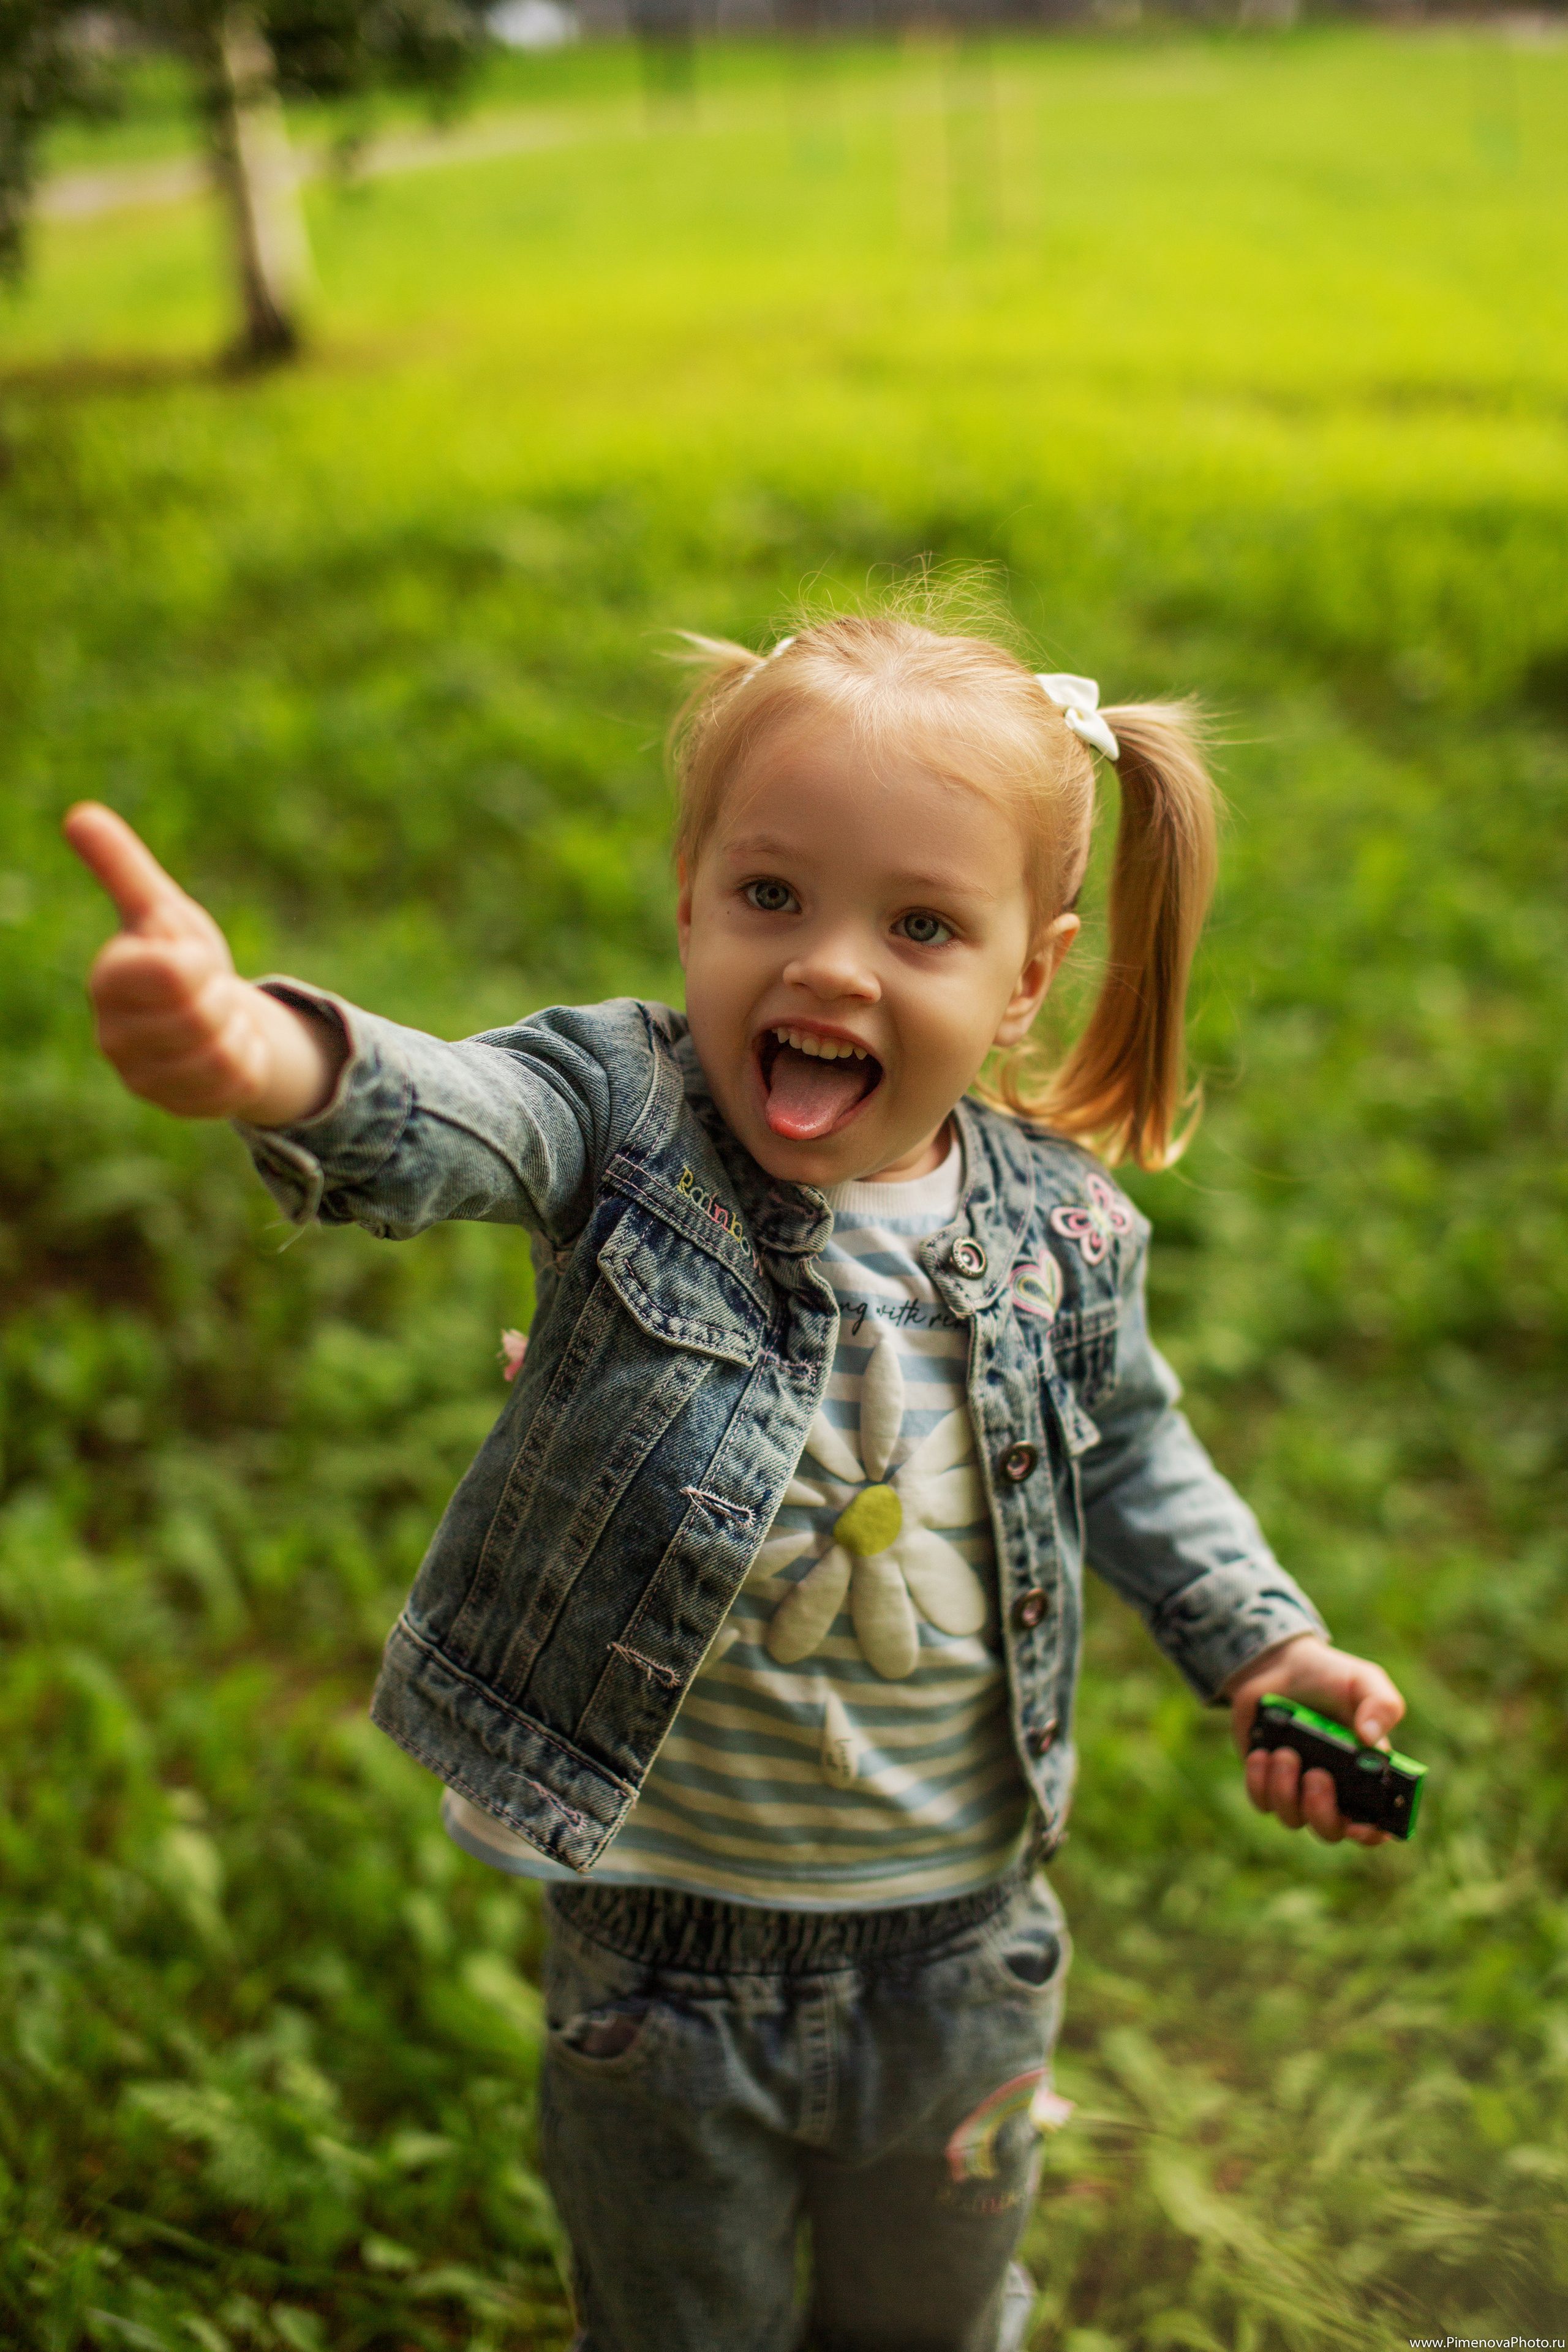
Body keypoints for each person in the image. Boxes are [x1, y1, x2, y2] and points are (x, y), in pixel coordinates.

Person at [64, 601, 1405, 2352]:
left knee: (934, 2323)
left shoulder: (1066, 1233)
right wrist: (274, 1060)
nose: (832, 968)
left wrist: (1267, 1645)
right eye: (774, 896)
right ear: (692, 897)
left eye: (921, 924)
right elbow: (468, 1112)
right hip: (660, 1962)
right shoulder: (622, 1119)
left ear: (1025, 973)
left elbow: (1137, 1450)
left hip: (964, 1954)